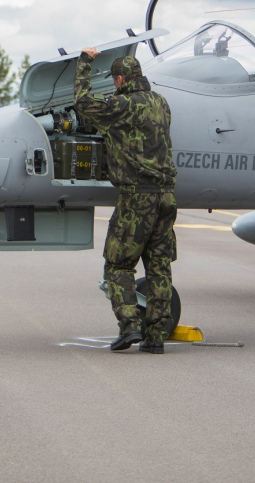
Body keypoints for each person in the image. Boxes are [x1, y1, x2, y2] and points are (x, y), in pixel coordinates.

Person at [74, 48, 177, 354]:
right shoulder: (161, 103)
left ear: (119, 79)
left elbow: (82, 103)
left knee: (118, 264)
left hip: (137, 197)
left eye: (115, 80)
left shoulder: (121, 105)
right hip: (167, 196)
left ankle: (129, 325)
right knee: (159, 266)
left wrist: (84, 63)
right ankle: (156, 337)